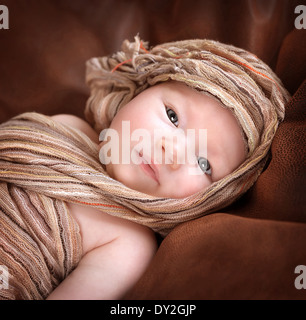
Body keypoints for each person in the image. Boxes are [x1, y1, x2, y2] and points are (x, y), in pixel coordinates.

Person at [0, 36, 290, 300]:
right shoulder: (65, 126)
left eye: (204, 164)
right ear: (139, 91)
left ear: (214, 198)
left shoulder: (129, 246)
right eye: (173, 116)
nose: (171, 151)